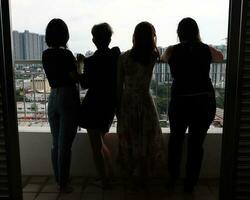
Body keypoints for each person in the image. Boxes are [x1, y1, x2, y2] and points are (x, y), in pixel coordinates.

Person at [161, 17, 224, 193]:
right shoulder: (204, 49)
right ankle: (190, 183)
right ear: (196, 32)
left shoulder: (173, 50)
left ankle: (172, 179)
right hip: (203, 101)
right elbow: (220, 56)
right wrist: (201, 45)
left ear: (179, 33)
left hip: (180, 101)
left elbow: (164, 57)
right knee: (196, 145)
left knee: (176, 142)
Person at [117, 22, 165, 189]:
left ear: (134, 37)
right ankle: (145, 178)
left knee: (130, 139)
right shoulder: (153, 56)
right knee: (146, 140)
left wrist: (118, 109)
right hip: (145, 102)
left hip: (128, 103)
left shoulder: (123, 58)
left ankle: (132, 179)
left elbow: (118, 86)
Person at [78, 23, 120, 188]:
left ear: (94, 39)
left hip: (93, 105)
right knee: (100, 142)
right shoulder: (116, 55)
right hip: (109, 105)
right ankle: (109, 175)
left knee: (96, 146)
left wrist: (78, 70)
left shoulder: (91, 61)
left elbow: (85, 84)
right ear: (110, 38)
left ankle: (104, 180)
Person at [42, 18, 80, 193]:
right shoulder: (67, 55)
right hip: (67, 96)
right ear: (65, 35)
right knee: (65, 144)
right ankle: (64, 185)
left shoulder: (45, 54)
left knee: (56, 142)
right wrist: (79, 66)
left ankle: (59, 179)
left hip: (53, 96)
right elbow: (74, 76)